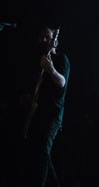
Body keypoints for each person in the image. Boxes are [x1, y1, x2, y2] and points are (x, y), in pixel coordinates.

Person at [15, 25, 70, 187]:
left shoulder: (61, 59)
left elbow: (62, 82)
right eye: (41, 37)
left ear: (55, 41)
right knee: (39, 154)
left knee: (42, 153)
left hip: (52, 114)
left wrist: (51, 69)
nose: (44, 40)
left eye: (47, 36)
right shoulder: (37, 63)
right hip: (37, 114)